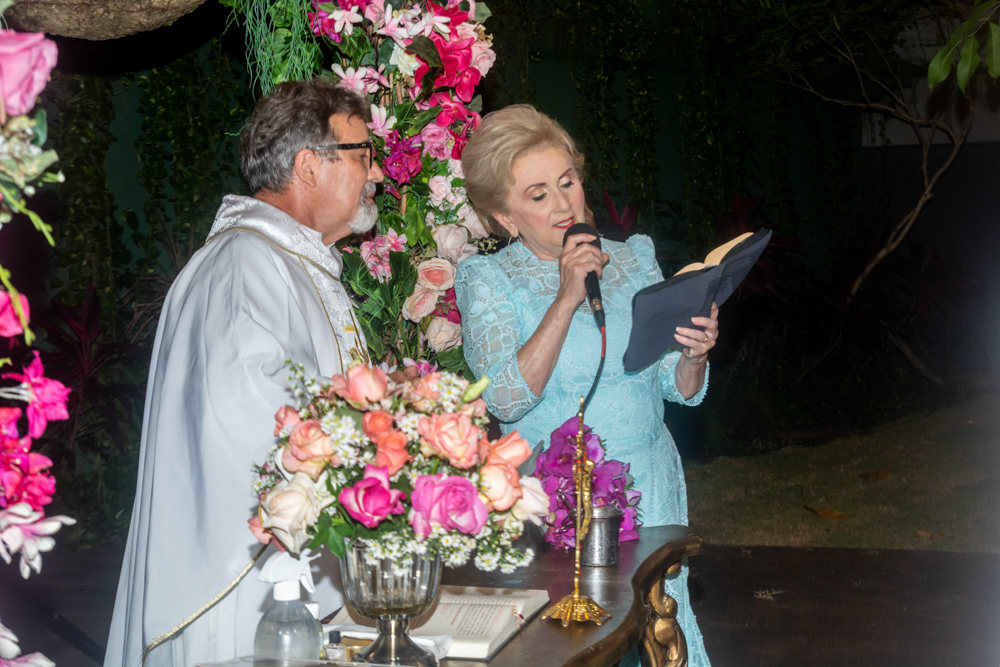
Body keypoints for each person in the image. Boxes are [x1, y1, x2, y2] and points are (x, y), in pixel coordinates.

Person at [104, 79, 384, 667]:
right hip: (243, 583)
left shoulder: (283, 259)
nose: (377, 173)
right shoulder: (242, 264)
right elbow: (250, 411)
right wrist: (380, 443)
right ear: (308, 166)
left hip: (289, 566)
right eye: (364, 155)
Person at [454, 105, 716, 666]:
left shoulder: (634, 259)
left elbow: (673, 385)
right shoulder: (487, 279)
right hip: (560, 500)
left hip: (650, 487)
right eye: (539, 194)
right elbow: (504, 399)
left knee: (660, 633)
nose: (563, 204)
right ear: (505, 217)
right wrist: (566, 296)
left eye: (567, 182)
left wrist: (694, 354)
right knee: (577, 644)